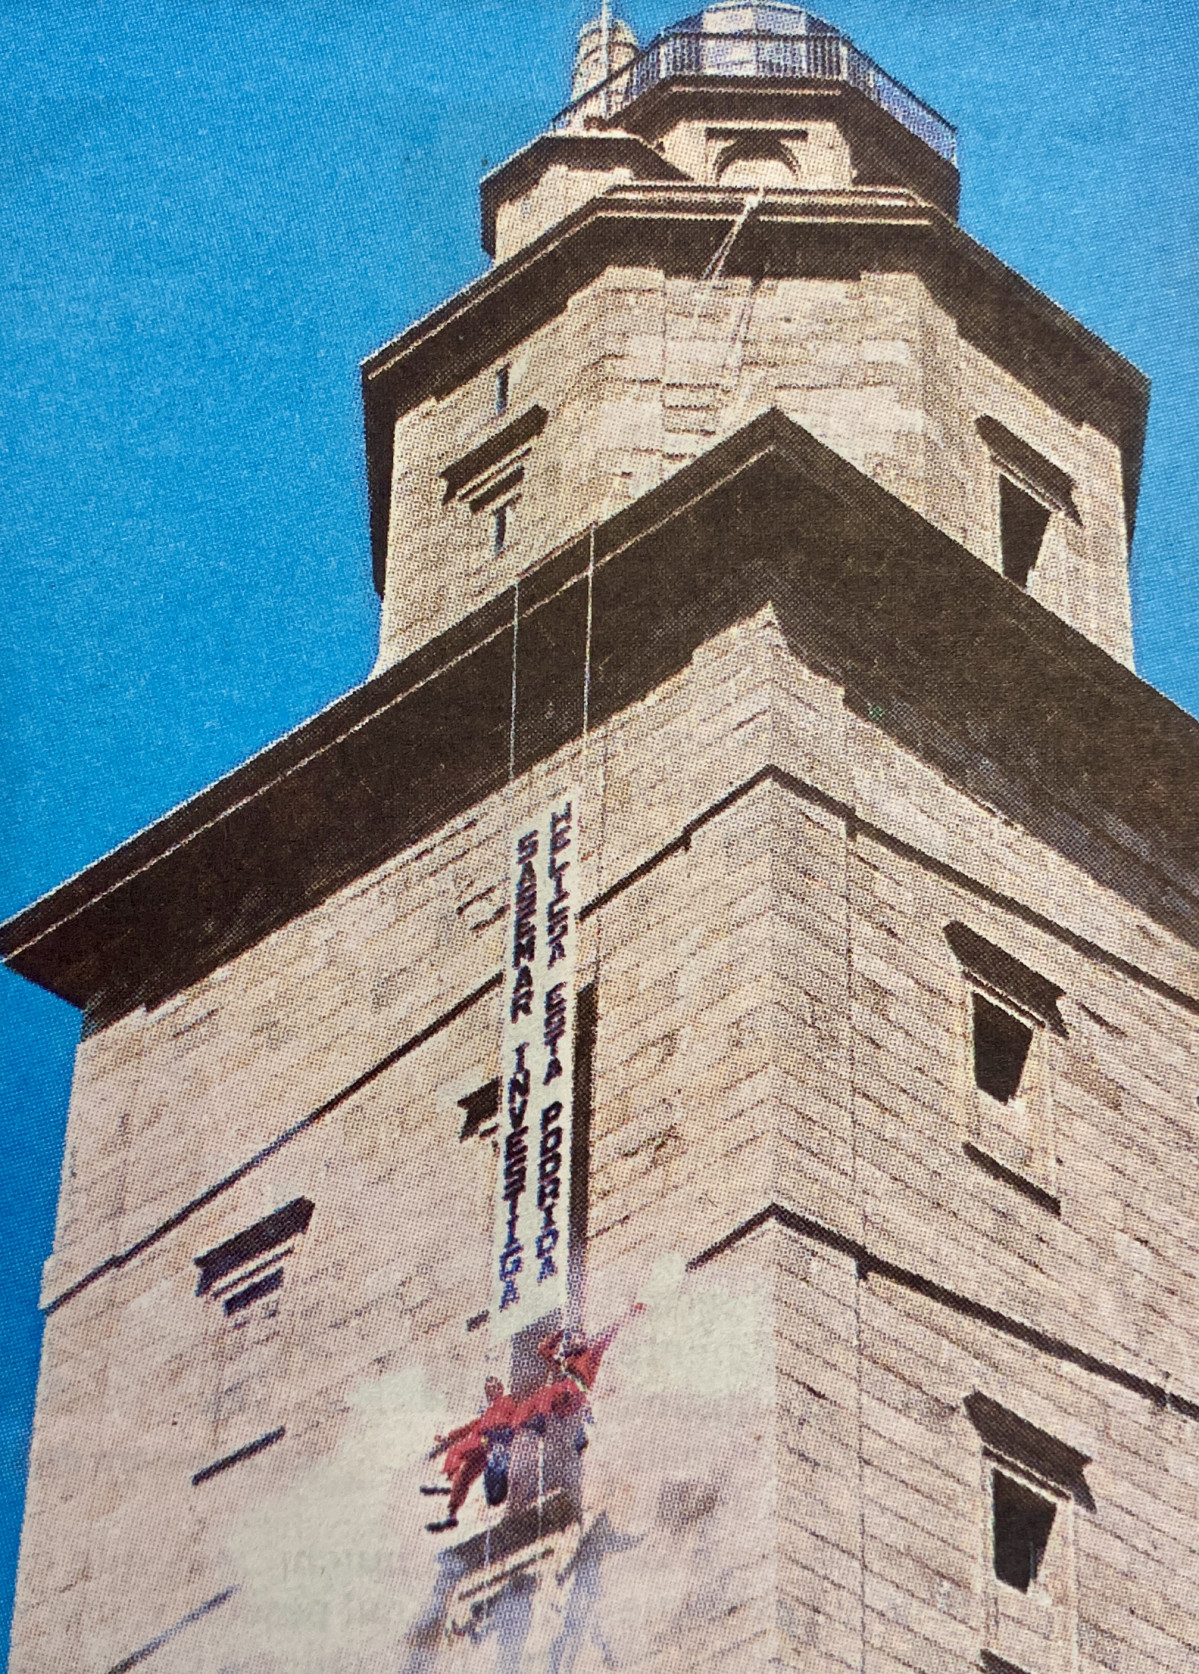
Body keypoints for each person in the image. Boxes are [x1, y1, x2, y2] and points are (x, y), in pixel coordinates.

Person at [518, 1303, 645, 1448]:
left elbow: (607, 1335)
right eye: (573, 1338)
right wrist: (559, 1335)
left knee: (556, 1397)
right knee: (548, 1397)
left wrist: (629, 1314)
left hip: (571, 1398)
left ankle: (571, 1430)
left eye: (578, 1337)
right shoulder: (565, 1361)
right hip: (563, 1402)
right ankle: (538, 1424)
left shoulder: (588, 1356)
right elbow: (543, 1350)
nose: (576, 1340)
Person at [422, 1375, 518, 1534]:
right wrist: (447, 1437)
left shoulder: (507, 1401)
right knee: (464, 1477)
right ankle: (451, 1514)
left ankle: (447, 1481)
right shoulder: (486, 1412)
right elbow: (467, 1428)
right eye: (488, 1390)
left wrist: (499, 1433)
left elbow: (510, 1421)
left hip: (489, 1442)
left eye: (493, 1387)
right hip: (482, 1450)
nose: (491, 1392)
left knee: (457, 1450)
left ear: (500, 1388)